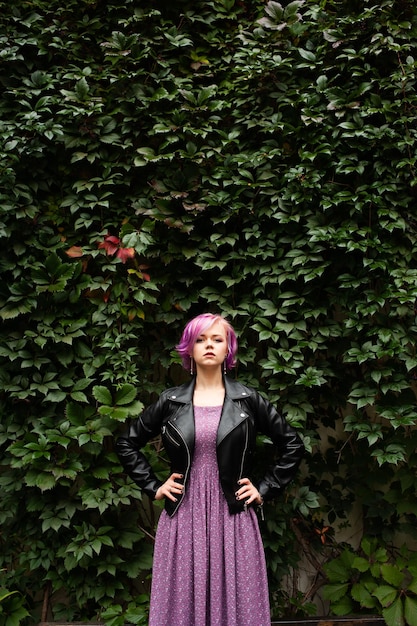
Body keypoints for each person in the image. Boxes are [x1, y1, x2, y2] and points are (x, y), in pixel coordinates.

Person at [116, 313, 305, 626]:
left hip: (233, 516)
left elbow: (293, 445)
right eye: (200, 339)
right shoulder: (170, 401)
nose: (208, 345)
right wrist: (154, 486)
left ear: (228, 349)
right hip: (183, 517)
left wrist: (264, 488)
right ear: (189, 349)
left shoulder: (248, 400)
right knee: (180, 606)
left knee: (239, 606)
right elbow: (126, 444)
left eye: (217, 339)